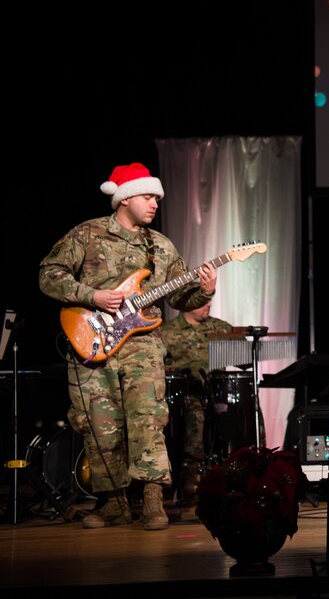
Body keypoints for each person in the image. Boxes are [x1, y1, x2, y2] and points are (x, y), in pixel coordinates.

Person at [39, 162, 218, 529]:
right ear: (125, 198)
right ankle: (113, 503)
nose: (155, 203)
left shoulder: (161, 246)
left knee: (148, 418)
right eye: (149, 196)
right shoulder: (87, 234)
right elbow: (49, 274)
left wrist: (205, 289)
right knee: (99, 424)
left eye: (157, 198)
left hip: (143, 345)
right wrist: (92, 295)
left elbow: (180, 297)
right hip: (92, 339)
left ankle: (152, 499)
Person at [161, 299, 235, 500]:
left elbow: (242, 354)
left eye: (209, 300)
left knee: (243, 405)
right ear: (187, 304)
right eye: (202, 302)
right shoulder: (166, 332)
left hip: (217, 392)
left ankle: (238, 470)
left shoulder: (219, 327)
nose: (208, 305)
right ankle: (192, 474)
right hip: (186, 394)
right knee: (195, 413)